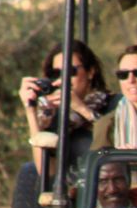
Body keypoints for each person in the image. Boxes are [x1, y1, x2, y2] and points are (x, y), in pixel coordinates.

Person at [17, 41, 114, 176]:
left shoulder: (112, 104)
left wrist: (81, 109)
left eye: (70, 71)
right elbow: (47, 171)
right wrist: (30, 110)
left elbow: (117, 143)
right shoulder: (53, 116)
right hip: (70, 193)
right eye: (56, 73)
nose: (63, 78)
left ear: (90, 72)